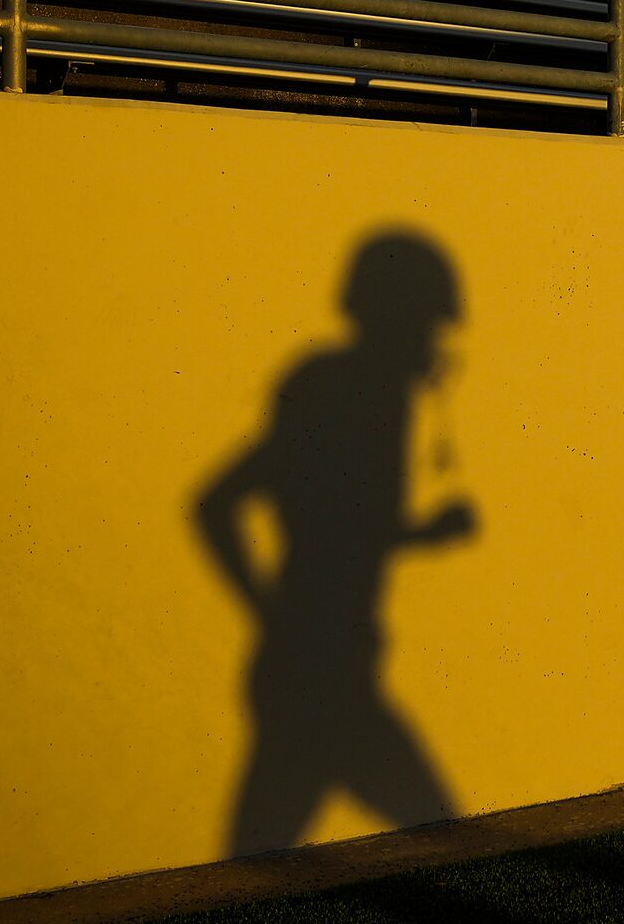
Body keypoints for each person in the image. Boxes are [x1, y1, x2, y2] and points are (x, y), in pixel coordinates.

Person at [196, 233, 477, 855]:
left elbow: (339, 526)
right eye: (428, 321)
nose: (434, 342)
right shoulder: (347, 391)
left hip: (329, 664)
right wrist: (271, 614)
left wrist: (420, 534)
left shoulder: (376, 396)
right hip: (322, 672)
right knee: (441, 833)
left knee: (257, 859)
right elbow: (218, 501)